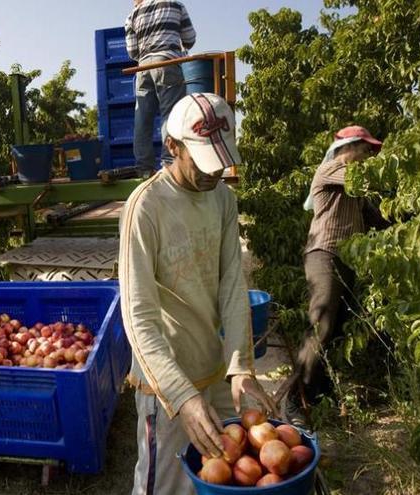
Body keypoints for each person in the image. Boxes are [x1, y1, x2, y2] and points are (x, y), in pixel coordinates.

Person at [119, 93, 277, 495]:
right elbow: (139, 318)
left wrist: (240, 366)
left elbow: (231, 285)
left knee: (234, 476)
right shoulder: (146, 207)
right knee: (166, 487)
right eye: (205, 162)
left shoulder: (222, 198)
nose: (215, 174)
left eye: (221, 163)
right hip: (168, 381)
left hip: (214, 367)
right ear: (172, 146)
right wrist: (182, 396)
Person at [284, 126, 387, 426]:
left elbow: (377, 218)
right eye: (365, 150)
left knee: (336, 329)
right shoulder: (331, 169)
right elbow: (364, 180)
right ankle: (292, 398)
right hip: (324, 255)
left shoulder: (355, 191)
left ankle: (316, 395)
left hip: (346, 261)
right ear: (348, 148)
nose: (369, 156)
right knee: (322, 325)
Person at [125, 0, 196, 171]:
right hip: (168, 61)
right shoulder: (175, 5)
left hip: (143, 67)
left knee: (142, 118)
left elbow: (132, 52)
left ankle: (144, 166)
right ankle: (169, 162)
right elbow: (189, 39)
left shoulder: (132, 15)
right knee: (169, 114)